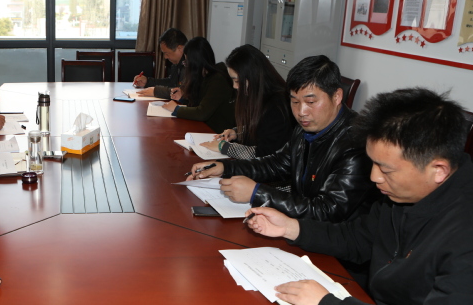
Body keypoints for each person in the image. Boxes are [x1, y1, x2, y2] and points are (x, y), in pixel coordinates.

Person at [244, 88, 473, 305]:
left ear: (438, 170)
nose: (374, 177)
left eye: (385, 169)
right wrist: (292, 228)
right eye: (372, 163)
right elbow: (359, 237)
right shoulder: (408, 194)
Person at [190, 55, 375, 223]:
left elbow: (327, 210)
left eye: (311, 102)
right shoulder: (306, 127)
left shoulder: (356, 143)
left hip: (336, 241)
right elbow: (278, 163)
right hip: (301, 226)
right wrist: (226, 168)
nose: (301, 112)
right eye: (294, 102)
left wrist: (257, 193)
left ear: (337, 96)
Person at [200, 44, 294, 159]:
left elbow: (264, 154)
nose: (234, 86)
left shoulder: (277, 105)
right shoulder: (258, 96)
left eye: (237, 81)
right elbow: (260, 127)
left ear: (253, 77)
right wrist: (237, 132)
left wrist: (224, 147)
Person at [158, 36, 235, 133]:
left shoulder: (218, 80)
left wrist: (176, 109)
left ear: (196, 62)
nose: (186, 66)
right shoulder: (204, 76)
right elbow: (196, 103)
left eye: (187, 62)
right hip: (203, 128)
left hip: (217, 132)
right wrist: (183, 96)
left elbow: (201, 113)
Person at [132, 27, 187, 99]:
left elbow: (182, 92)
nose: (165, 57)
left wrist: (156, 91)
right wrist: (147, 81)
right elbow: (171, 82)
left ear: (180, 48)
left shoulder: (191, 64)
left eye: (167, 53)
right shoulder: (177, 63)